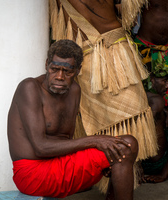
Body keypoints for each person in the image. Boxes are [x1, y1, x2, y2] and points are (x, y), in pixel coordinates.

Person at [8, 39, 139, 199]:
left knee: (117, 150)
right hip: (32, 175)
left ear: (78, 71)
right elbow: (41, 148)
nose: (60, 77)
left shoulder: (74, 90)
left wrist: (101, 155)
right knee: (127, 145)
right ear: (46, 64)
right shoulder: (29, 88)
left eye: (67, 72)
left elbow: (66, 141)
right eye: (54, 69)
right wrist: (95, 141)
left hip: (60, 165)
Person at [49, 0, 158, 191]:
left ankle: (112, 186)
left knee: (112, 130)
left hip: (91, 58)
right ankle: (112, 186)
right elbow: (128, 16)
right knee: (120, 130)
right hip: (115, 55)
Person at [134, 0, 168, 109]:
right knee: (145, 92)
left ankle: (163, 118)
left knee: (164, 88)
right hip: (145, 47)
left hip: (165, 49)